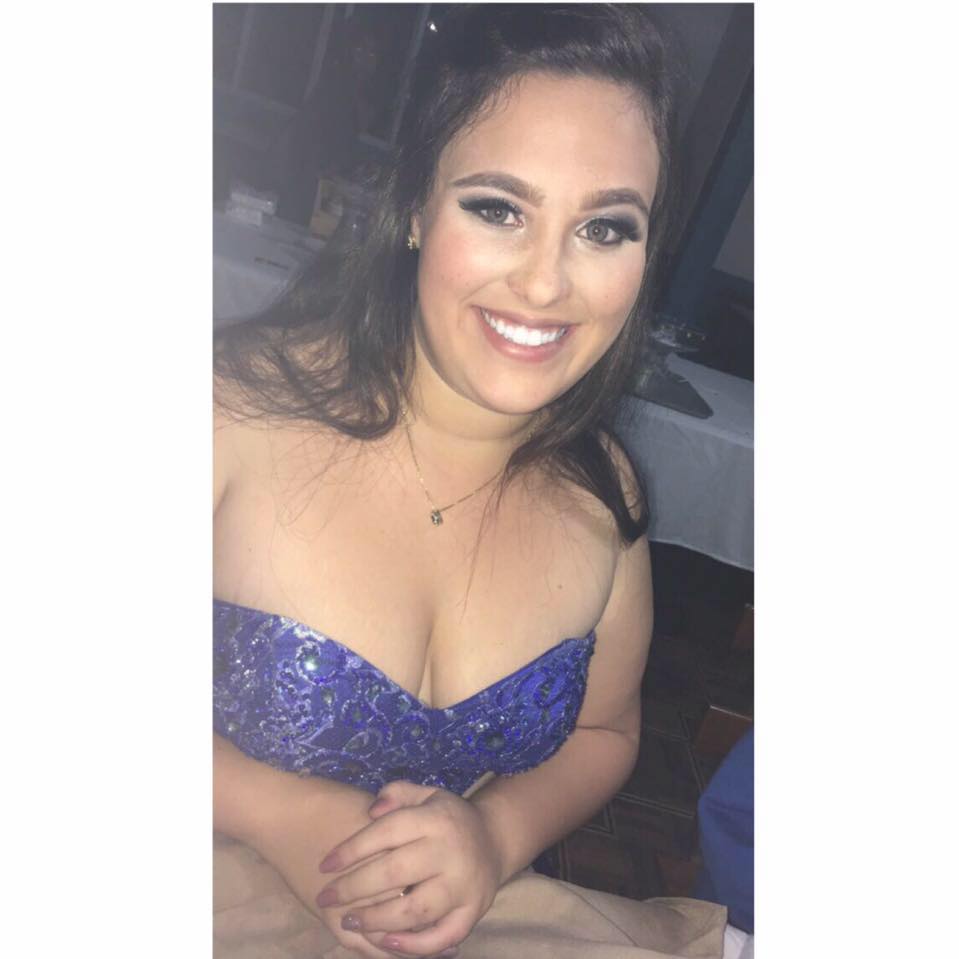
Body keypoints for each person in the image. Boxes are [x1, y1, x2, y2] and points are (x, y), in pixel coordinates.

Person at [213, 5, 728, 958]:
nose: (545, 283)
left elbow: (606, 733)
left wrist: (494, 835)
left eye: (604, 228)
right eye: (498, 209)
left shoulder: (605, 495)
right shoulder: (226, 412)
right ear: (415, 205)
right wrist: (279, 811)